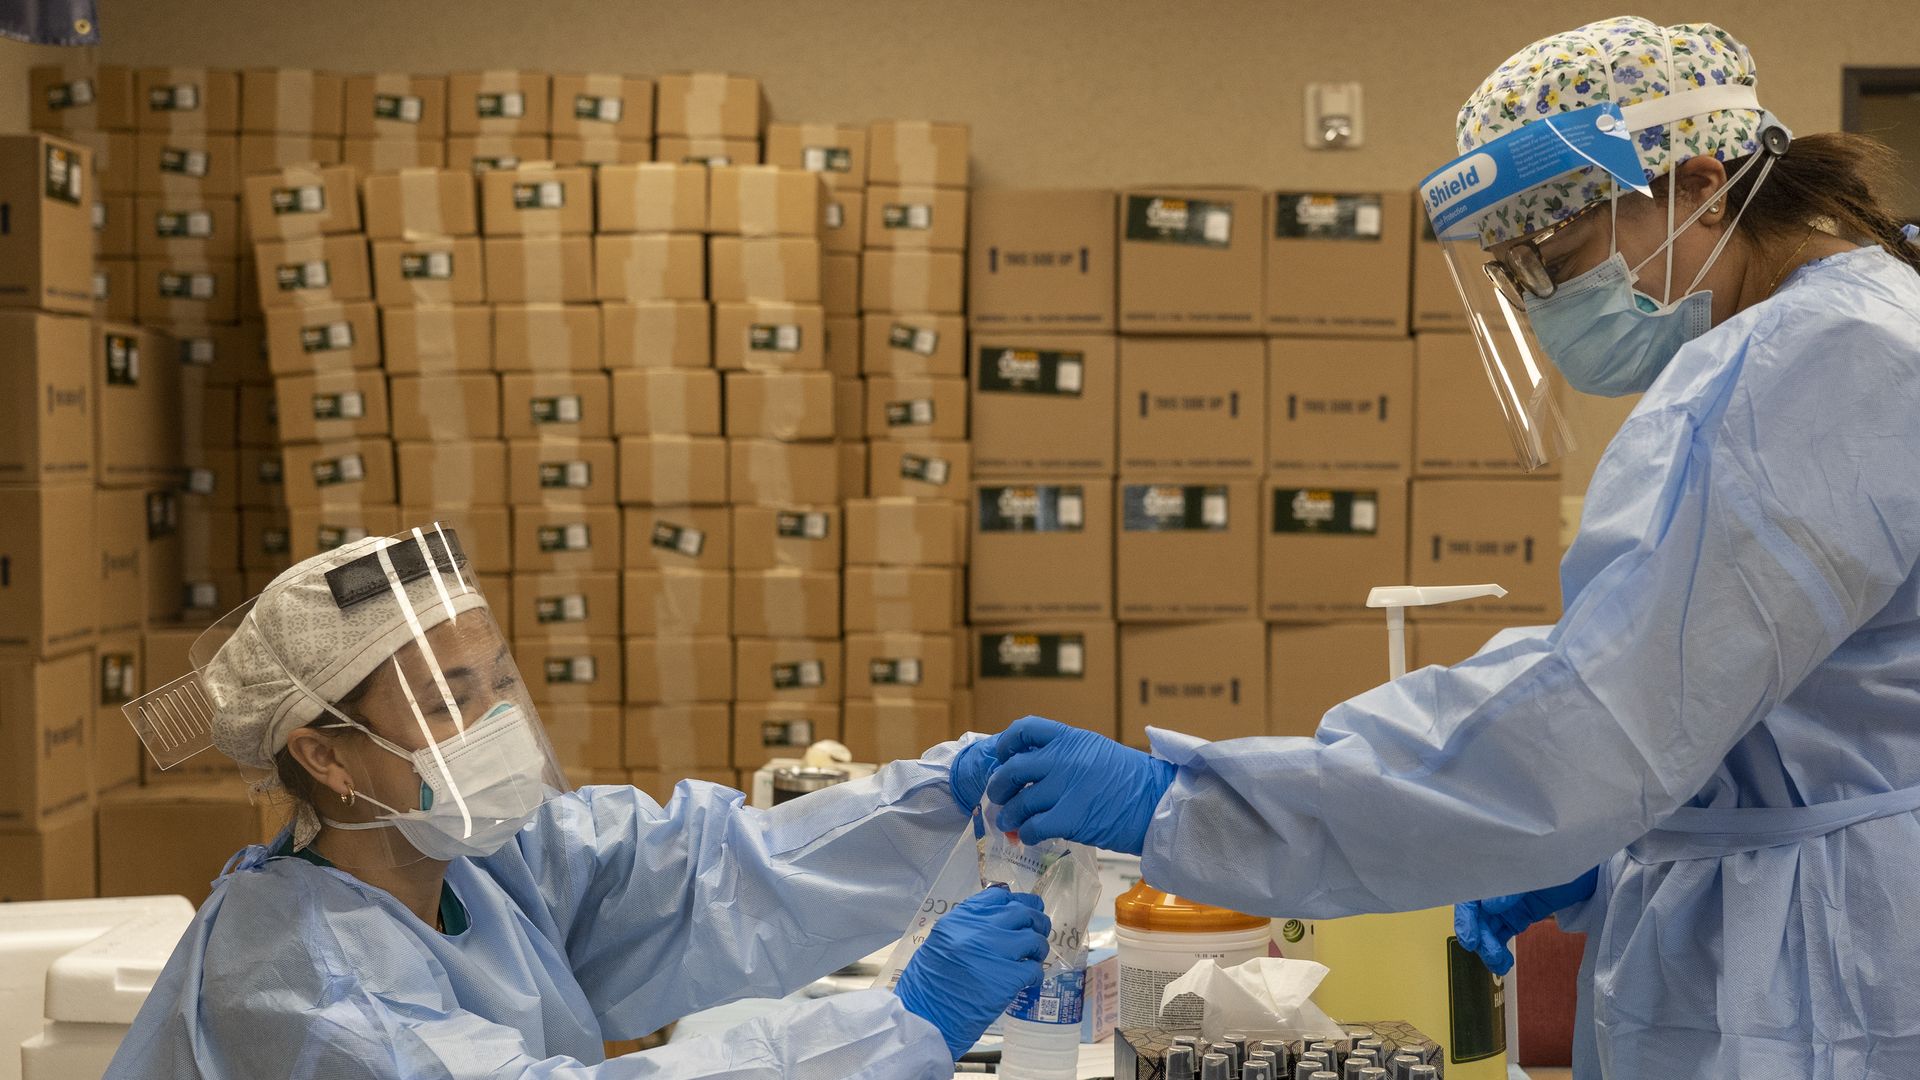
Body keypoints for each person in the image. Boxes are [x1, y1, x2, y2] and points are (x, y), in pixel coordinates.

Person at [956, 17, 1920, 1079]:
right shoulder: (1807, 345)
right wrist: (1625, 837)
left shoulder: (1826, 362)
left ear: (1697, 184)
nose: (1550, 307)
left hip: (1833, 963)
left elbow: (1600, 717)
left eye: (1556, 260)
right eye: (1518, 277)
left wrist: (1196, 804)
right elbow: (1694, 678)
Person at [107, 527, 1049, 1079]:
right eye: (446, 703)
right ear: (325, 755)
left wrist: (942, 802)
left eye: (497, 683)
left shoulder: (485, 859)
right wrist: (895, 1029)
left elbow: (716, 879)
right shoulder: (312, 997)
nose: (494, 722)